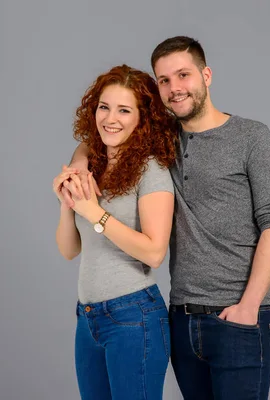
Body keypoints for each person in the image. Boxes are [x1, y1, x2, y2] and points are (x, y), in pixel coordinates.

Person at [64, 36, 270, 400]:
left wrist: (250, 306)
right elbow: (104, 132)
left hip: (239, 316)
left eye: (183, 75)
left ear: (206, 75)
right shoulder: (163, 138)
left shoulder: (252, 138)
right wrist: (79, 165)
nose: (175, 88)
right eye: (164, 80)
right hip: (183, 318)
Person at [52, 64, 178, 400]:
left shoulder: (151, 170)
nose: (111, 118)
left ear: (142, 118)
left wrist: (95, 212)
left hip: (133, 318)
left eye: (125, 110)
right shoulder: (91, 163)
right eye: (104, 107)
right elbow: (69, 250)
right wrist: (68, 205)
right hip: (88, 318)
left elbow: (154, 251)